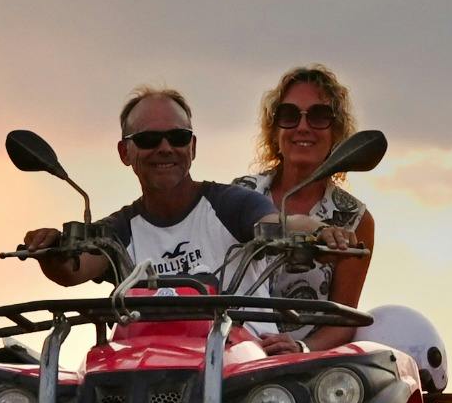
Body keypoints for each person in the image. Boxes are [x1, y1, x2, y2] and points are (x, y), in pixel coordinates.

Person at [29, 88, 272, 290]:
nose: (165, 148)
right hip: (147, 346)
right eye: (148, 139)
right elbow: (73, 270)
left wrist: (302, 230)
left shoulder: (234, 205)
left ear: (193, 147)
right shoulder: (119, 230)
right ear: (125, 152)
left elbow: (279, 223)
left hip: (237, 344)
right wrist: (51, 252)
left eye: (178, 137)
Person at [238, 64, 376, 315]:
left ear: (336, 133)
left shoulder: (356, 218)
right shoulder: (241, 193)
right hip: (235, 348)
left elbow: (342, 319)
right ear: (275, 130)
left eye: (319, 116)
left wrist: (301, 349)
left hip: (304, 354)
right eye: (289, 115)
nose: (303, 127)